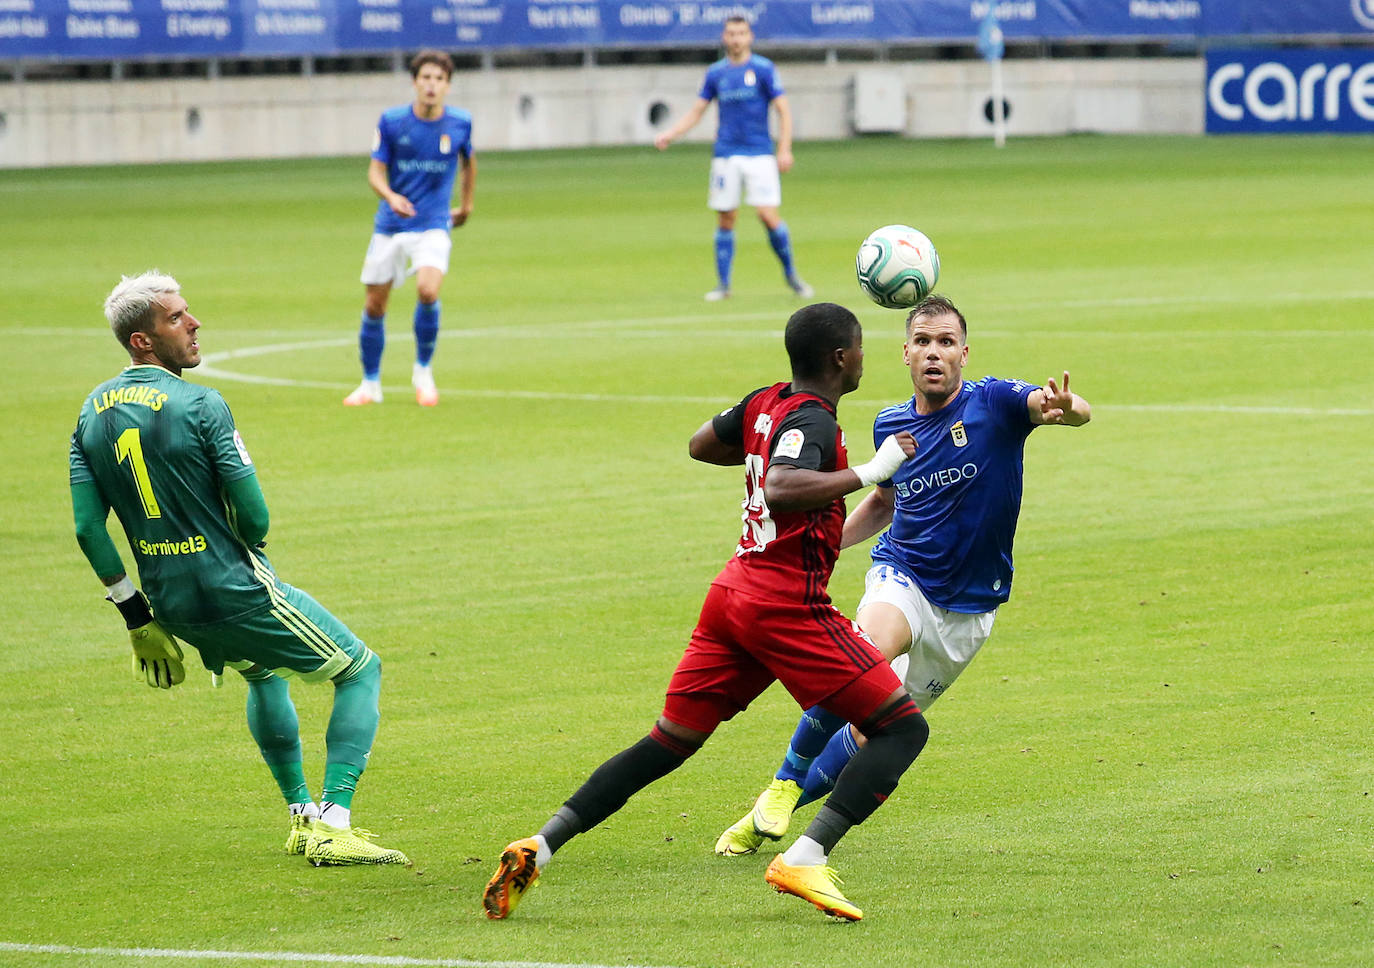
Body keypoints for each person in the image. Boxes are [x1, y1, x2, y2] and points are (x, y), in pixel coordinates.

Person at [483, 303, 927, 923]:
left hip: (733, 596)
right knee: (902, 727)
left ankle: (541, 844)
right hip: (785, 605)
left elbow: (700, 445)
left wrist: (759, 447)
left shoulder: (764, 402)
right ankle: (804, 856)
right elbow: (781, 486)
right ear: (840, 359)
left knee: (670, 741)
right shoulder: (815, 420)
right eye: (859, 348)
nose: (862, 358)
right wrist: (868, 472)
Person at [714, 293, 1092, 856]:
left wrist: (1068, 406)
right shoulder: (889, 423)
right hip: (903, 575)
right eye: (922, 342)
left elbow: (1064, 406)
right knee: (863, 660)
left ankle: (775, 811)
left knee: (870, 732)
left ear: (964, 353)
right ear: (905, 355)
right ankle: (784, 782)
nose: (933, 353)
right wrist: (825, 547)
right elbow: (886, 502)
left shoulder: (994, 402)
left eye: (945, 342)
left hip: (969, 608)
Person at [71, 271, 409, 867]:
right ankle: (335, 821)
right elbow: (253, 515)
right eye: (176, 318)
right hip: (235, 587)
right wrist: (247, 542)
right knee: (359, 669)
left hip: (168, 605)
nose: (194, 324)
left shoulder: (90, 413)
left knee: (261, 672)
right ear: (142, 341)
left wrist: (135, 618)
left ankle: (301, 818)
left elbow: (87, 527)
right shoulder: (201, 402)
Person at [344, 49, 476, 408]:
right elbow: (375, 171)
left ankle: (423, 372)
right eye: (425, 78)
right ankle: (370, 383)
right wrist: (390, 196)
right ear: (415, 82)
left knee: (428, 290)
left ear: (448, 86)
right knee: (375, 304)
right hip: (391, 224)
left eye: (439, 79)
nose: (431, 85)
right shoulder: (392, 121)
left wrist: (466, 205)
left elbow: (469, 163)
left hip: (433, 223)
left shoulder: (461, 123)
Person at [653, 15, 812, 302]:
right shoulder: (716, 73)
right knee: (726, 218)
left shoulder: (763, 69)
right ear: (724, 38)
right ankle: (723, 285)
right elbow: (697, 111)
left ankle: (791, 275)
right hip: (726, 154)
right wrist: (670, 134)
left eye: (741, 33)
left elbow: (783, 109)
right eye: (731, 34)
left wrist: (784, 149)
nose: (736, 39)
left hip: (759, 154)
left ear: (749, 37)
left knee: (767, 215)